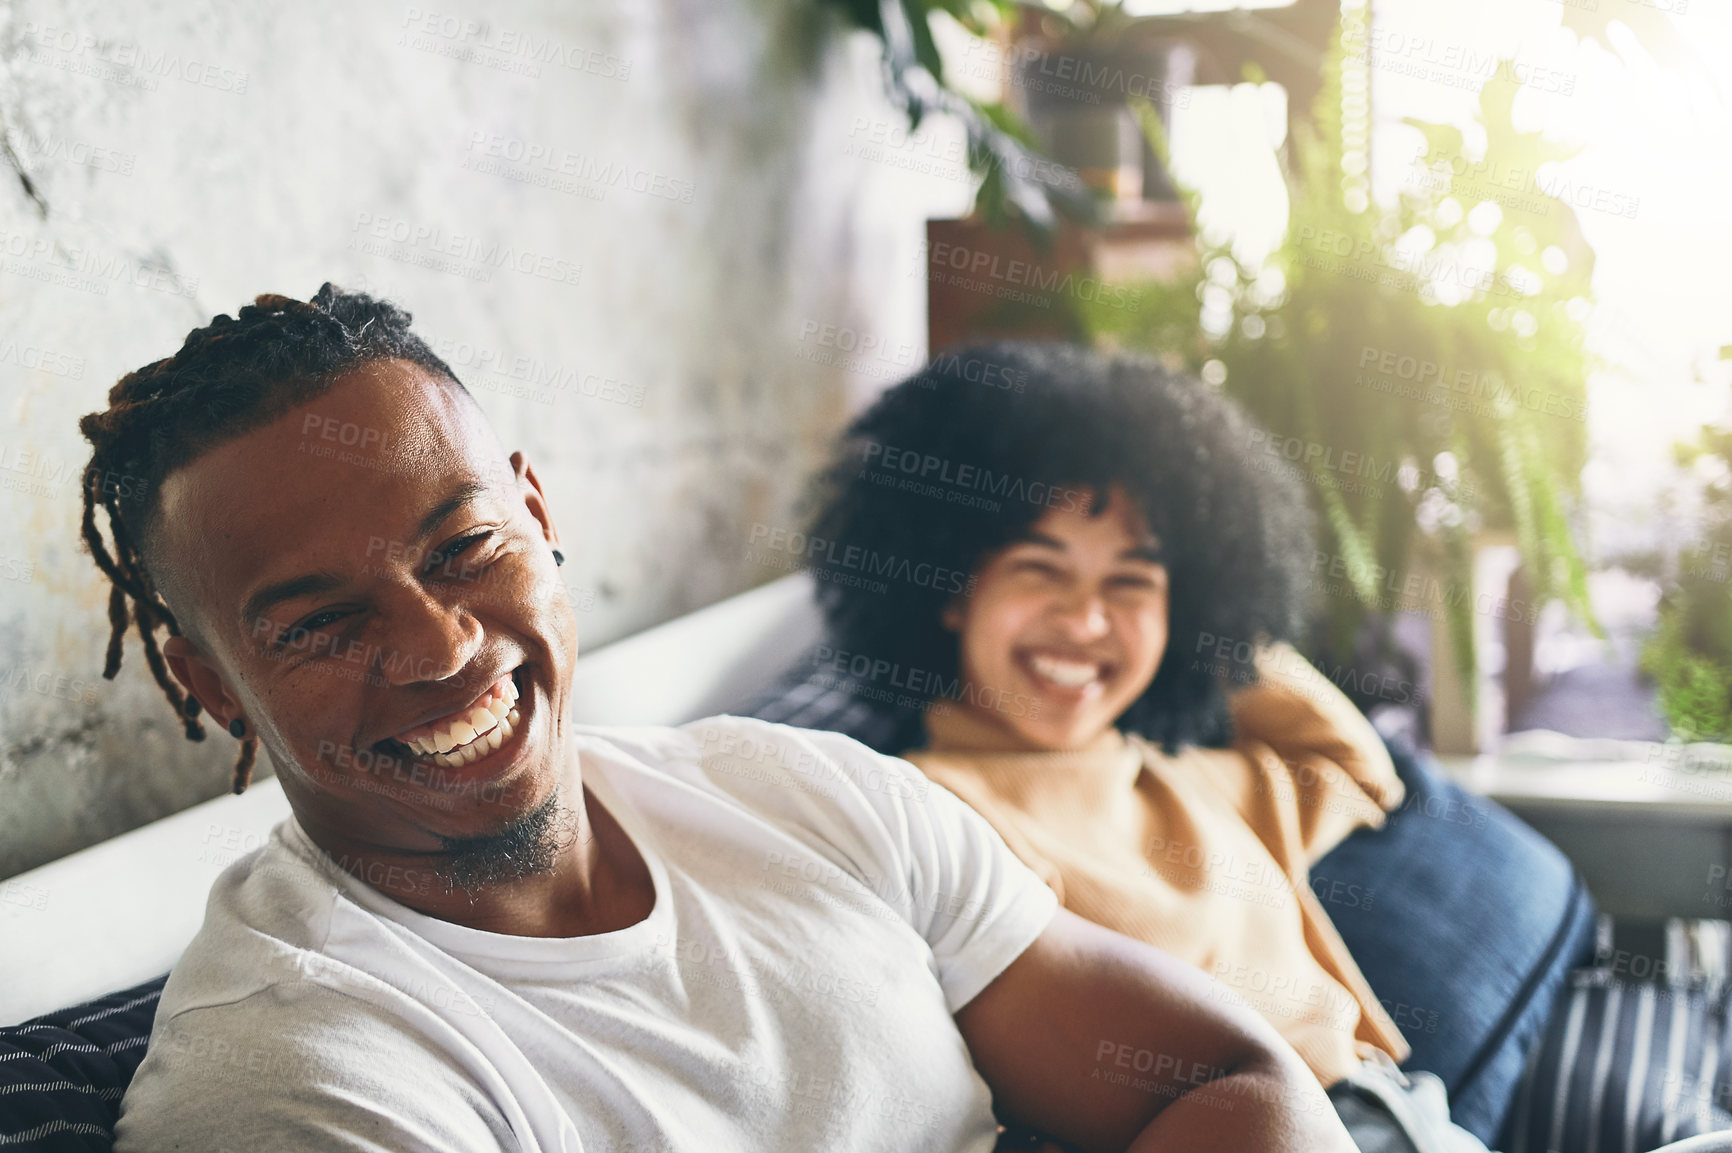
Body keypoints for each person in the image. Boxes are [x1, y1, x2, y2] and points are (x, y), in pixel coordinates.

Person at [87, 287, 1353, 1152]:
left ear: (536, 510)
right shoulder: (303, 1079)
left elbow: (1238, 1083)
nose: (442, 646)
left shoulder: (805, 794)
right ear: (203, 678)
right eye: (319, 621)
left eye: (465, 545)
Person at [796, 341, 1495, 1152]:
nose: (1087, 620)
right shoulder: (924, 806)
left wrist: (1211, 629)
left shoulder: (1194, 777)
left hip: (1412, 1115)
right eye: (1040, 567)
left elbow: (1356, 767)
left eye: (1130, 582)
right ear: (949, 587)